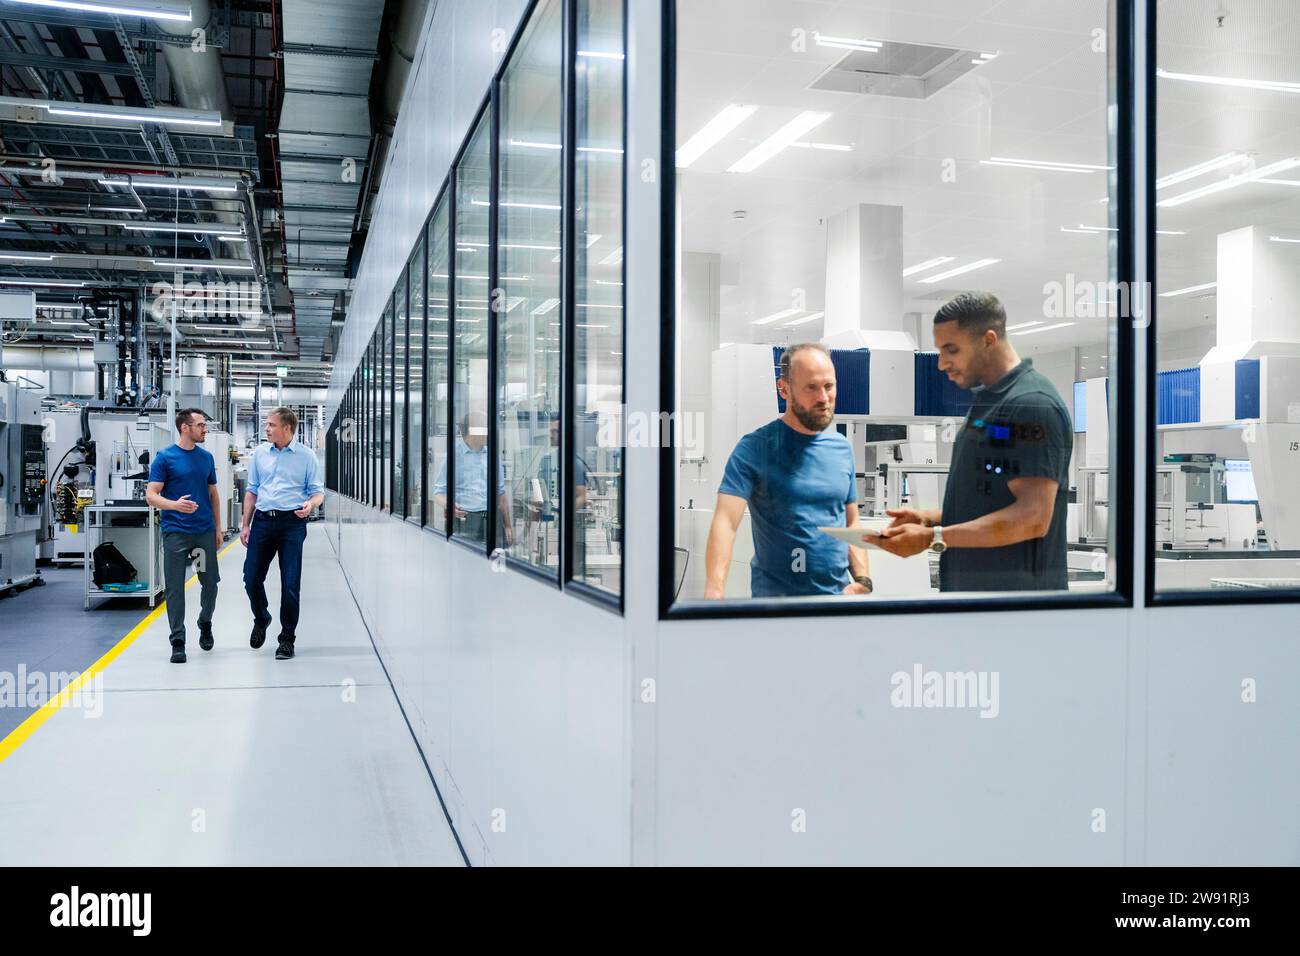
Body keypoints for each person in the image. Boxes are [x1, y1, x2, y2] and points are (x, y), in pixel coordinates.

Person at [869, 292, 1072, 591]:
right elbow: (992, 500)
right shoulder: (987, 404)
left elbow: (1032, 517)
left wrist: (934, 538)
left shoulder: (1030, 404)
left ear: (988, 340)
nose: (941, 364)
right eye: (940, 351)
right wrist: (928, 520)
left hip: (1017, 613)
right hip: (977, 605)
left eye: (951, 350)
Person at [704, 343, 872, 599]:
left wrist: (862, 579)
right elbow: (726, 523)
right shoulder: (755, 448)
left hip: (838, 605)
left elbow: (851, 522)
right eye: (811, 388)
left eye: (829, 386)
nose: (824, 398)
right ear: (784, 388)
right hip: (776, 608)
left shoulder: (841, 449)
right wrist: (714, 594)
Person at [239, 406, 324, 659]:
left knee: (290, 584)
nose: (266, 428)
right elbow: (252, 490)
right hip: (263, 522)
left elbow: (317, 492)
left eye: (271, 425)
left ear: (287, 428)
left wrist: (311, 504)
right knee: (251, 578)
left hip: (292, 524)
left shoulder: (307, 456)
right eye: (267, 424)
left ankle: (287, 638)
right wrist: (246, 524)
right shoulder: (260, 454)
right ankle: (262, 616)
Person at [145, 408, 222, 664]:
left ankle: (205, 621)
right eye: (200, 425)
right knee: (175, 588)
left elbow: (213, 494)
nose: (205, 429)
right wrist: (174, 505)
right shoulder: (165, 458)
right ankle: (178, 640)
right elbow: (151, 494)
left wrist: (218, 528)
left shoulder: (206, 458)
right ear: (185, 427)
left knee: (209, 583)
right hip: (176, 534)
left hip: (202, 534)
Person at [432, 410, 513, 546]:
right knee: (464, 563)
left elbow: (501, 494)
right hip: (466, 521)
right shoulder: (453, 456)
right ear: (473, 430)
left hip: (494, 520)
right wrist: (449, 505)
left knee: (496, 564)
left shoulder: (493, 456)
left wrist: (508, 526)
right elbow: (438, 493)